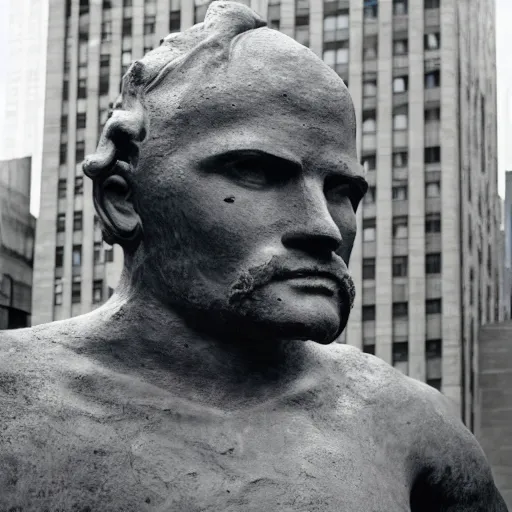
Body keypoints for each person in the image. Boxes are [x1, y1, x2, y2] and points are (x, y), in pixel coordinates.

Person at [0, 2, 507, 510]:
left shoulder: (413, 427)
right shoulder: (12, 397)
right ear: (122, 198)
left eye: (343, 191)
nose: (324, 228)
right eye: (256, 172)